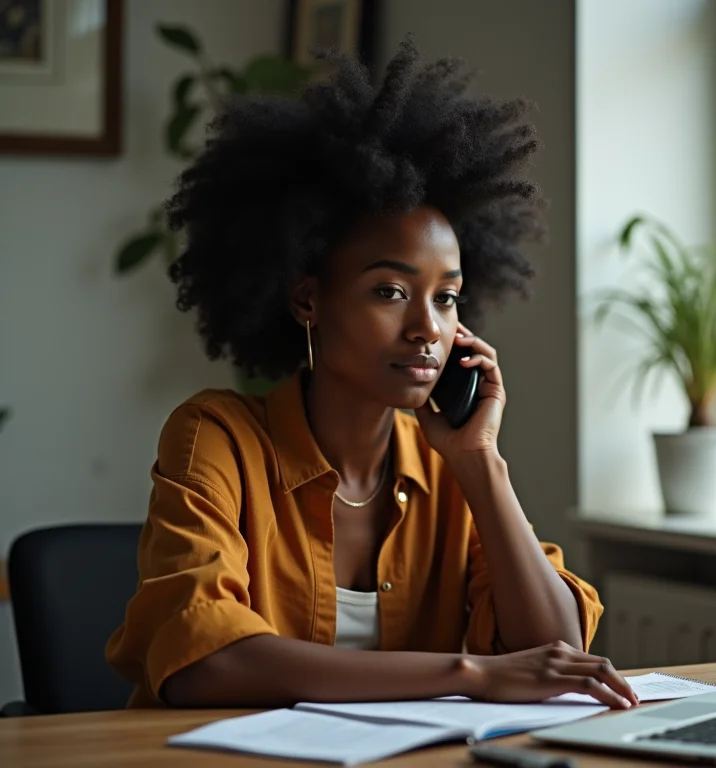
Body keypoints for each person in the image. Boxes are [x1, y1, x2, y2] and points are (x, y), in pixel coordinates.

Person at [106, 37, 638, 711]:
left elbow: (560, 655)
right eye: (390, 291)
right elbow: (203, 663)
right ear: (308, 300)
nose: (427, 328)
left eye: (447, 297)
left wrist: (481, 464)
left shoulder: (449, 468)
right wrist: (466, 674)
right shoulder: (215, 439)